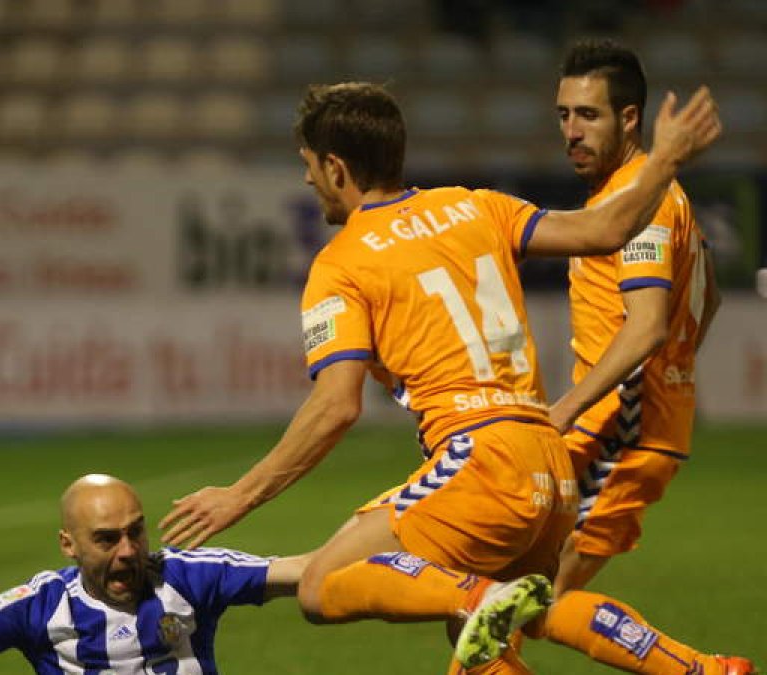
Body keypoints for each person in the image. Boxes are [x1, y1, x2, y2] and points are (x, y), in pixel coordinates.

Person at [159, 83, 752, 673]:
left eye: (309, 165)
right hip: (548, 458)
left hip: (480, 458)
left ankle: (478, 595)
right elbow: (603, 231)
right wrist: (666, 160)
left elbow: (335, 406)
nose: (308, 180)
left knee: (324, 585)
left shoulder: (340, 264)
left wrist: (239, 495)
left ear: (335, 167)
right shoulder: (477, 205)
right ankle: (703, 670)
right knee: (502, 631)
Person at [549, 39, 722, 599]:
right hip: (612, 428)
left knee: (512, 606)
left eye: (588, 115)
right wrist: (673, 369)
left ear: (629, 119)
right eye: (564, 115)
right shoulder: (640, 195)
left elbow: (647, 326)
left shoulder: (640, 202)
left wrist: (567, 409)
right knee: (491, 597)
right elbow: (709, 298)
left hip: (622, 434)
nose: (572, 131)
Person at [0, 474, 309, 672]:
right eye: (107, 539)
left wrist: (374, 523)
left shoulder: (187, 575)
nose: (129, 551)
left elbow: (307, 571)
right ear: (68, 545)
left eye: (136, 532)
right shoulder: (40, 606)